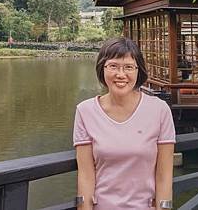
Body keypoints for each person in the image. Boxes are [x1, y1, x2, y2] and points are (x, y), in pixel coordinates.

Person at [73, 37, 175, 209]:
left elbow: (164, 175)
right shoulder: (85, 111)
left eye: (128, 67)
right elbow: (85, 176)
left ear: (138, 71)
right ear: (102, 69)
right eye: (113, 66)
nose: (121, 74)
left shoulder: (159, 110)